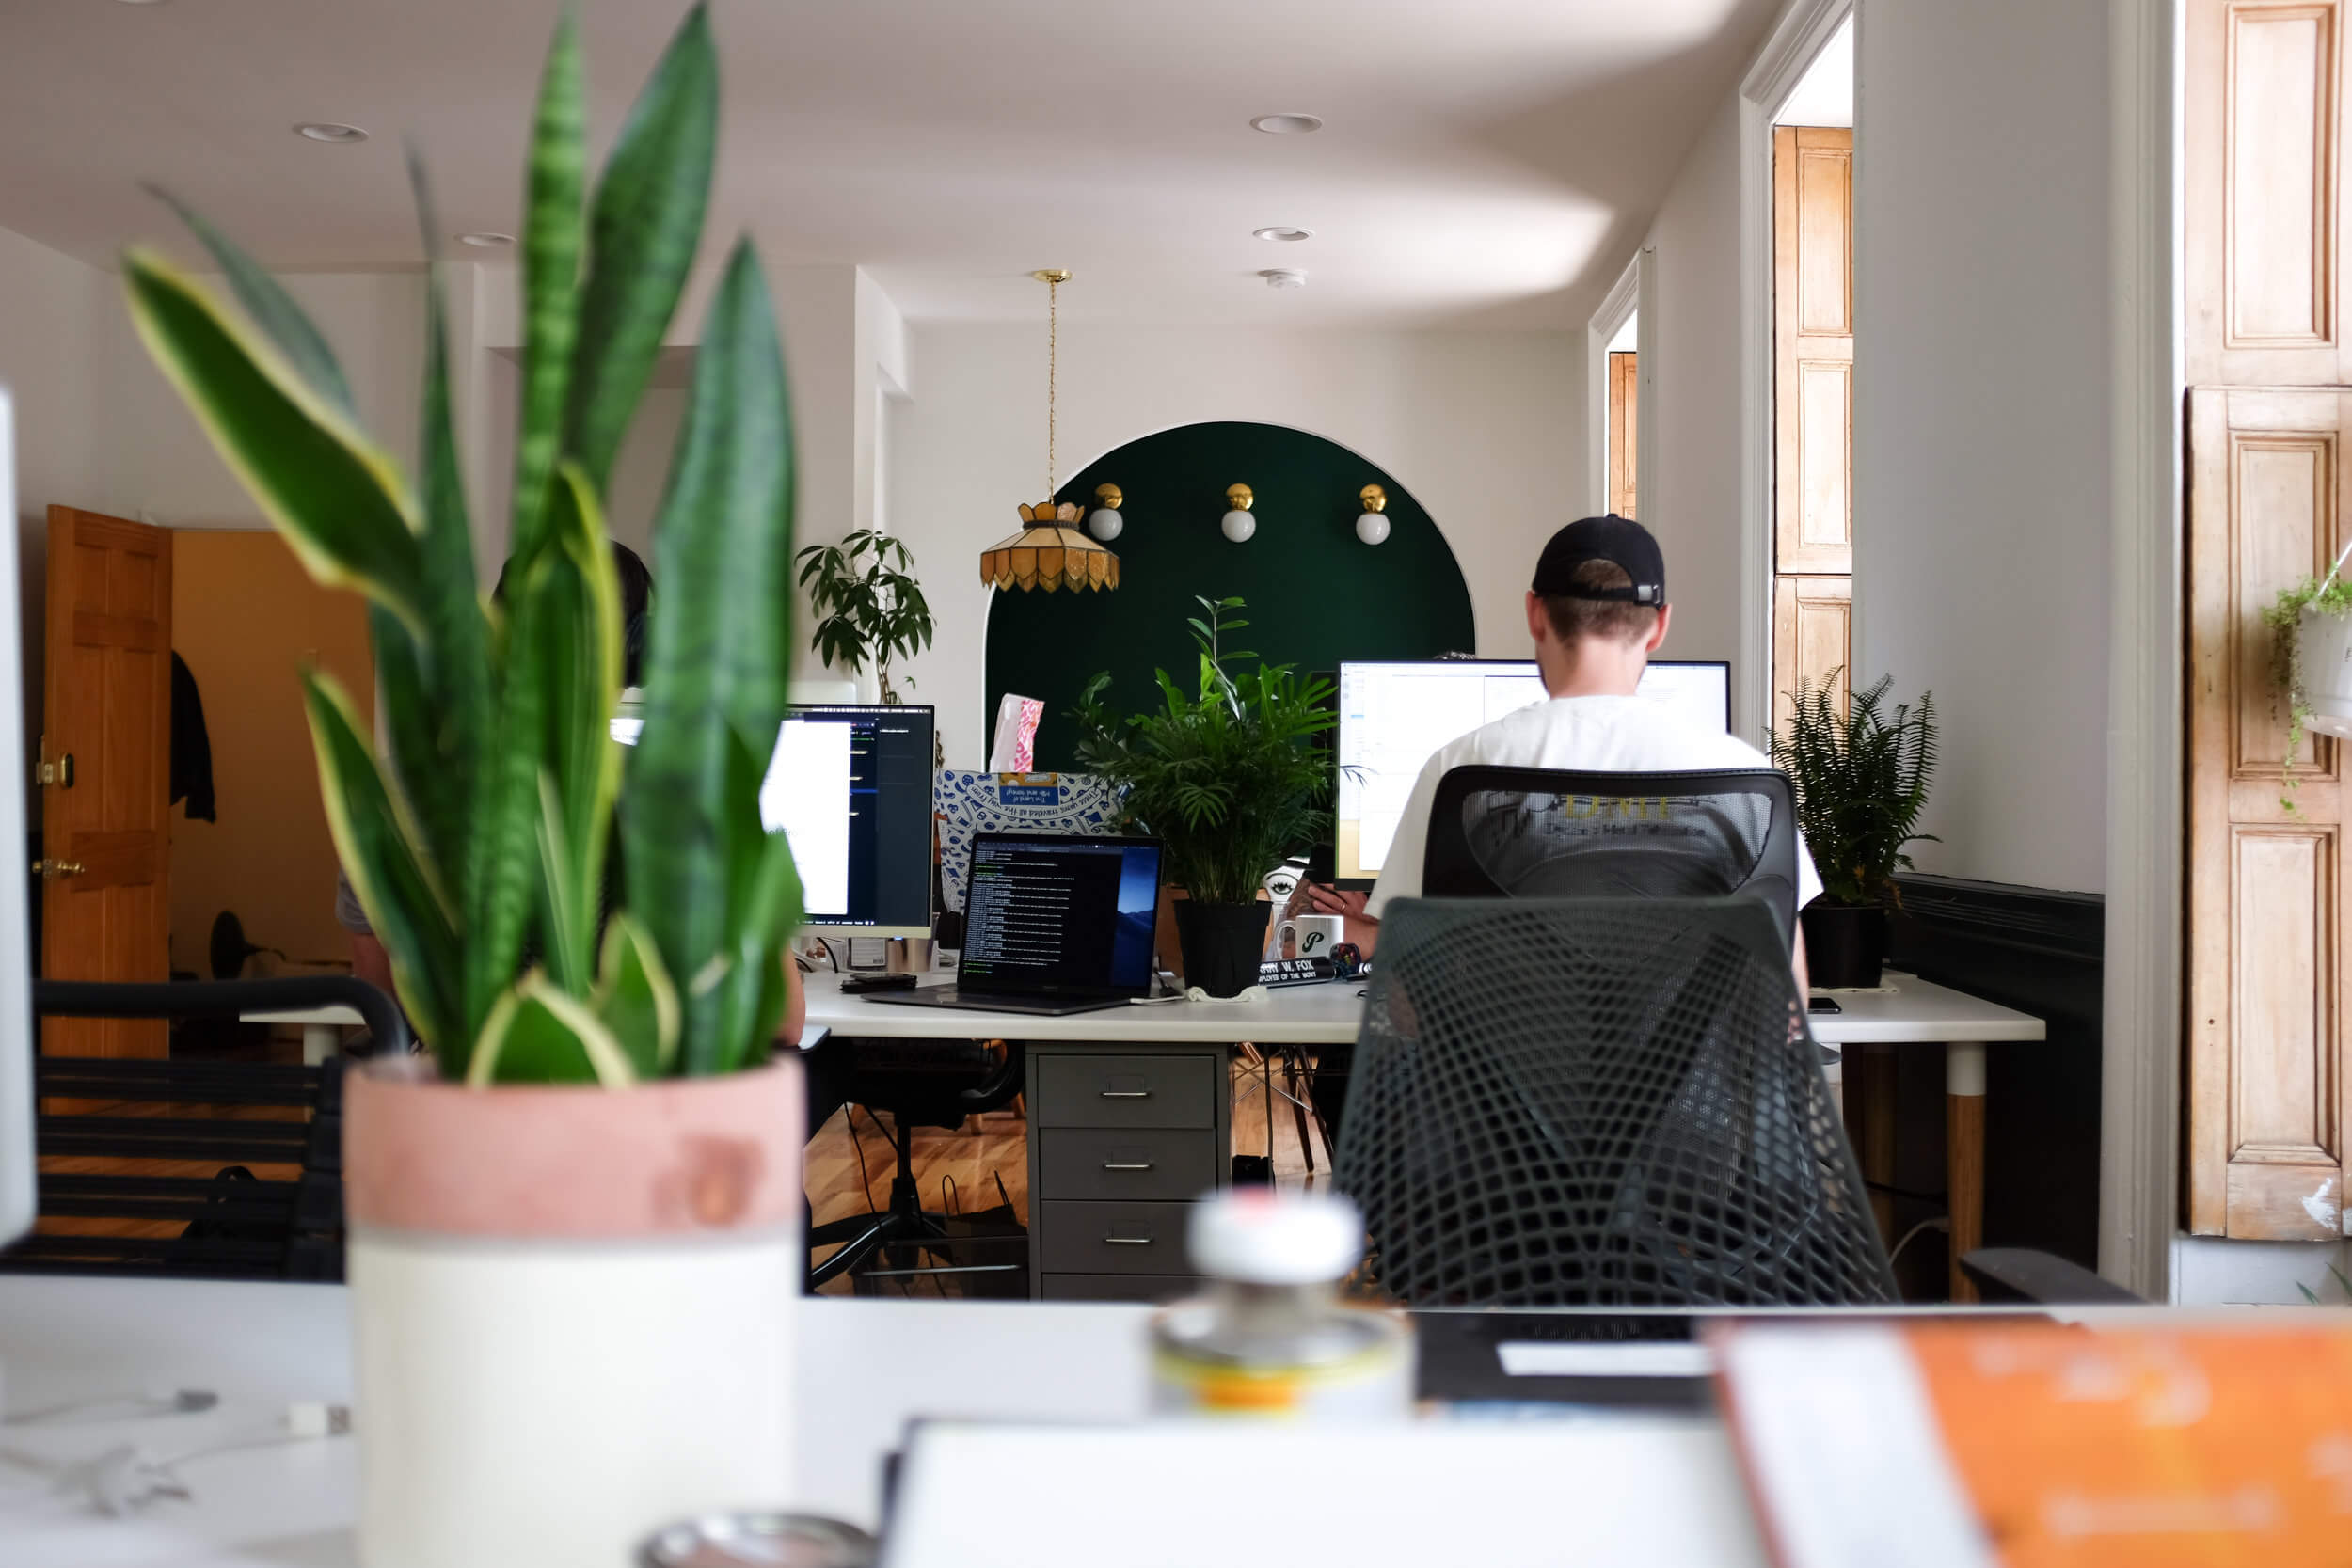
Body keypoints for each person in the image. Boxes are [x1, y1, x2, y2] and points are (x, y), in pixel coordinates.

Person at [1288, 514, 1819, 990]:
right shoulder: (1748, 779)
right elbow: (1786, 1008)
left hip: (1500, 1100)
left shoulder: (1461, 768)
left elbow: (1409, 1004)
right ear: (1659, 626)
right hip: (1699, 1102)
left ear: (1535, 614)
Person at [334, 541, 807, 1051]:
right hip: (634, 1112)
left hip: (460, 1113)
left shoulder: (387, 793)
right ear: (635, 652)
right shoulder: (686, 799)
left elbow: (380, 999)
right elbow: (782, 1020)